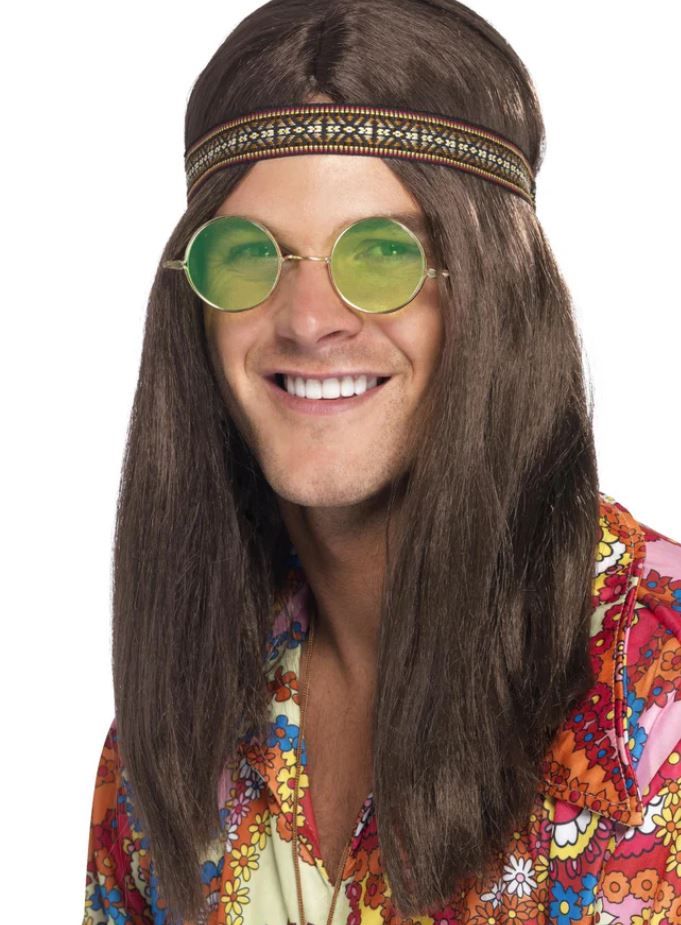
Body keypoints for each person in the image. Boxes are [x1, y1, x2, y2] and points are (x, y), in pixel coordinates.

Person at [81, 1, 681, 923]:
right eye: (249, 257)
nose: (308, 318)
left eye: (382, 255)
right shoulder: (176, 722)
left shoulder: (657, 690)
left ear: (491, 290)